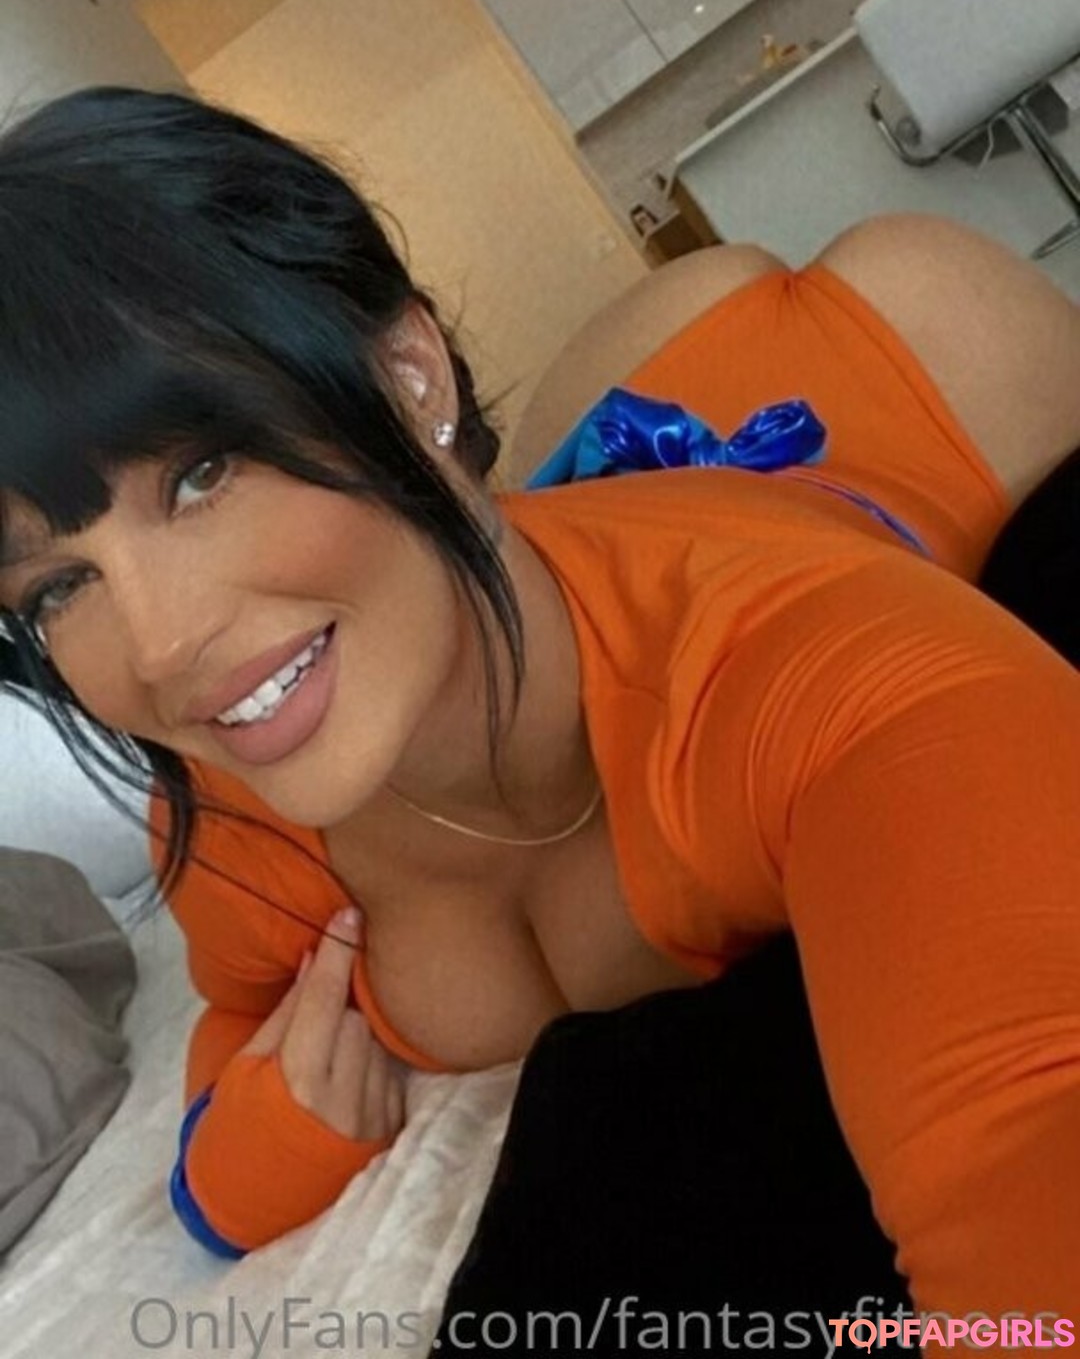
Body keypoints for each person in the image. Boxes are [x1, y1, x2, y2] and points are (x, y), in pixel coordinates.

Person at [0, 88, 1078, 1323]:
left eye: (200, 472)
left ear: (409, 372)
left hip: (913, 365)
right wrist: (237, 1166)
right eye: (57, 586)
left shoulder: (834, 677)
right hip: (586, 483)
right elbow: (238, 1023)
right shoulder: (228, 817)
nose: (158, 648)